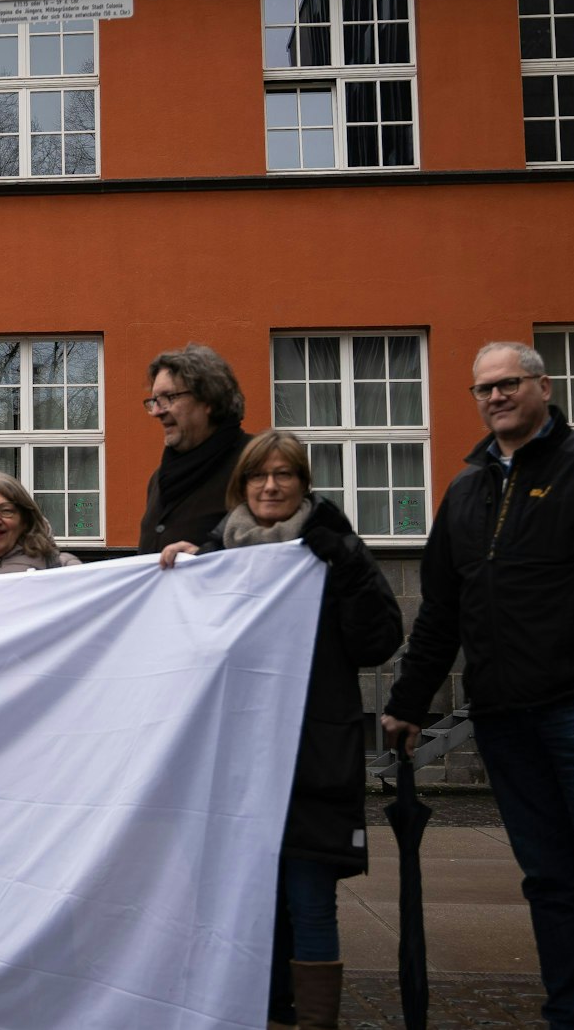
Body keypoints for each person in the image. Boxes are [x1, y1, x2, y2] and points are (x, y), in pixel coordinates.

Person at [383, 342, 574, 1030]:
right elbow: (440, 610)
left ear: (543, 386)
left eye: (509, 383)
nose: (495, 397)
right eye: (483, 388)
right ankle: (570, 1019)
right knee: (549, 884)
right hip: (505, 718)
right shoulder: (465, 489)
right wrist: (407, 703)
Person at [157, 432, 402, 1029]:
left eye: (284, 475)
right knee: (243, 904)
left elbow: (379, 639)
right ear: (241, 487)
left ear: (303, 483)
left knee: (310, 898)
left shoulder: (333, 546)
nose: (271, 487)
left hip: (312, 756)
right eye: (259, 476)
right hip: (235, 764)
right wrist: (178, 576)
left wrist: (343, 564)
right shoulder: (217, 552)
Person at [137, 343, 250, 554]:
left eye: (169, 398)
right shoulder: (158, 480)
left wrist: (206, 557)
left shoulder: (255, 463)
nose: (156, 412)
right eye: (154, 401)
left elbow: (276, 551)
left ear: (209, 400)